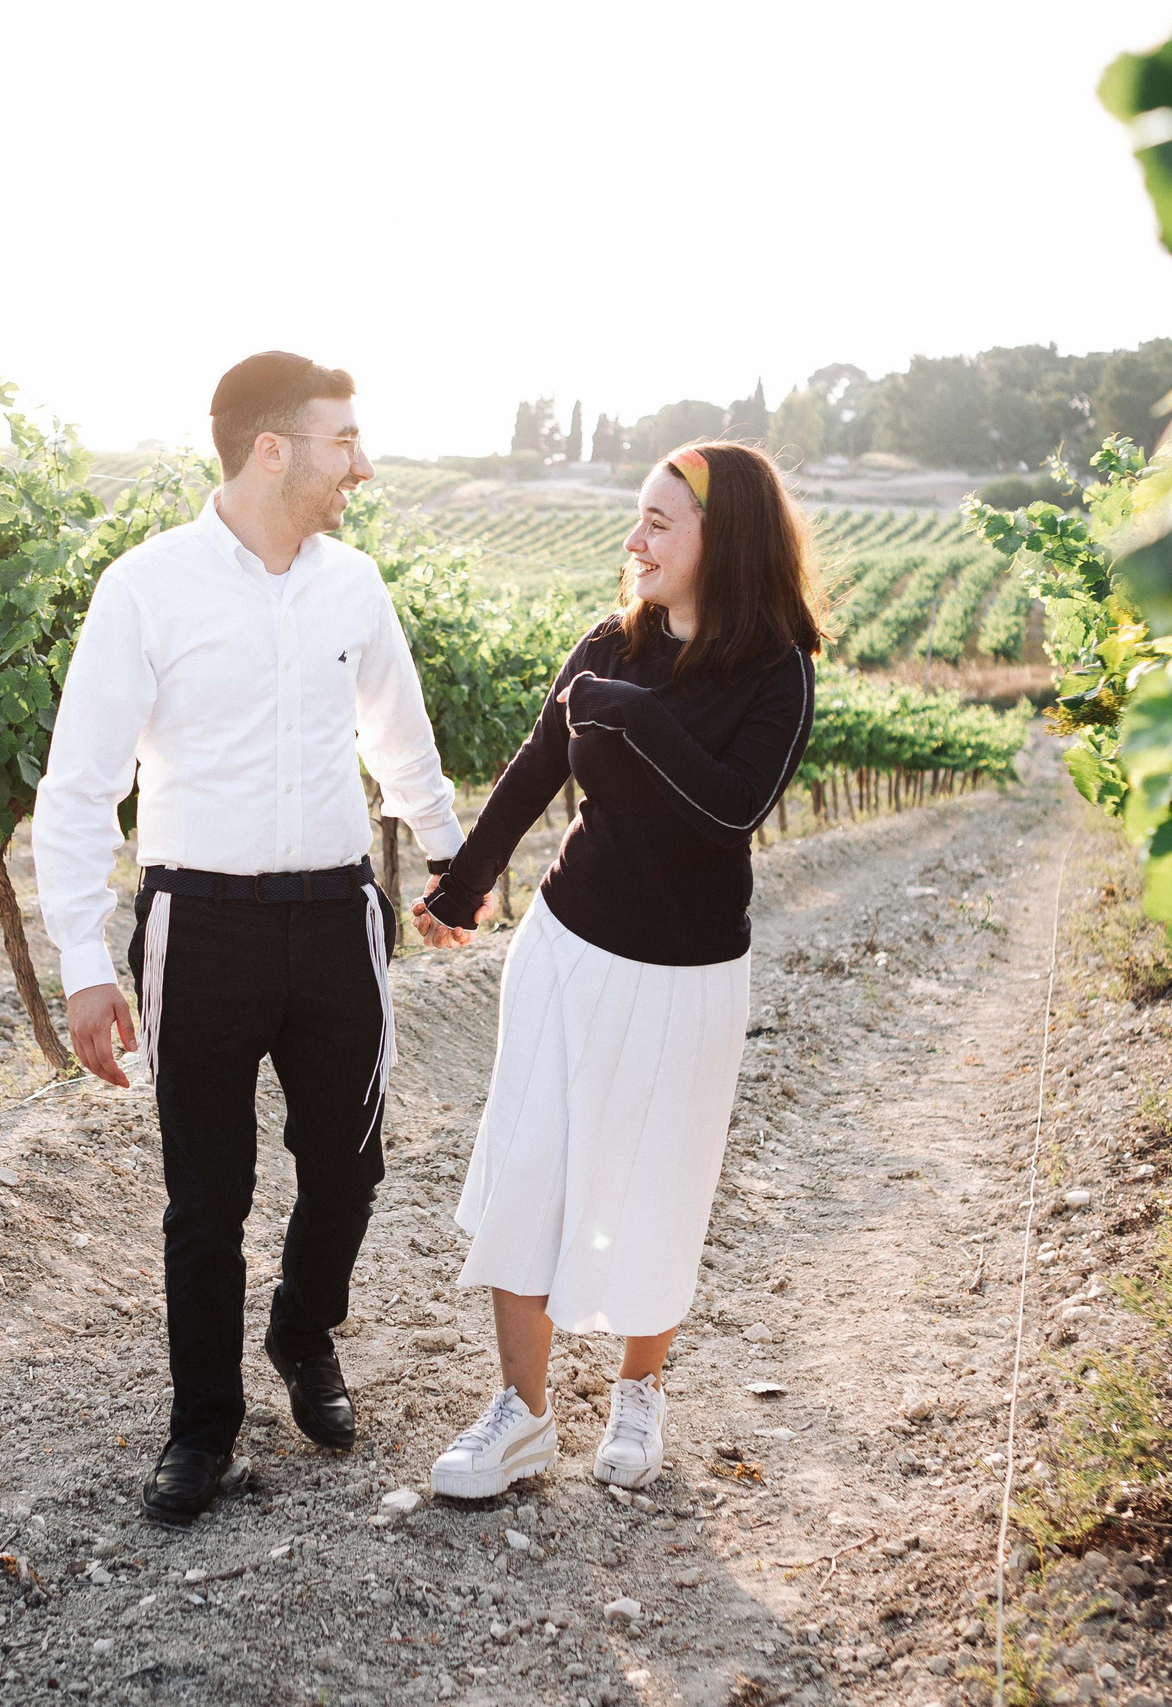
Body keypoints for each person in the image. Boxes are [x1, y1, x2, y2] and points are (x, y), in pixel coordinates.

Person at [31, 351, 467, 1526]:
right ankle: (203, 1425)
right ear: (271, 450)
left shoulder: (354, 586)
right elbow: (80, 788)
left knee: (349, 1164)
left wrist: (451, 862)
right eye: (344, 443)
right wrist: (83, 965)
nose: (361, 467)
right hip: (199, 924)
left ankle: (302, 1329)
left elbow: (401, 740)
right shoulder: (146, 588)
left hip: (336, 918)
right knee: (205, 1195)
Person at [410, 440, 823, 1498]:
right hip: (565, 948)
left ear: (722, 539)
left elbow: (734, 807)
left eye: (657, 522)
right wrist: (464, 883)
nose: (633, 539)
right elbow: (535, 769)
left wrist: (636, 715)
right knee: (529, 1168)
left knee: (659, 1180)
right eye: (636, 517)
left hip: (686, 977)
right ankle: (522, 1414)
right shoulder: (610, 643)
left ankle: (640, 1389)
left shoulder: (777, 672)